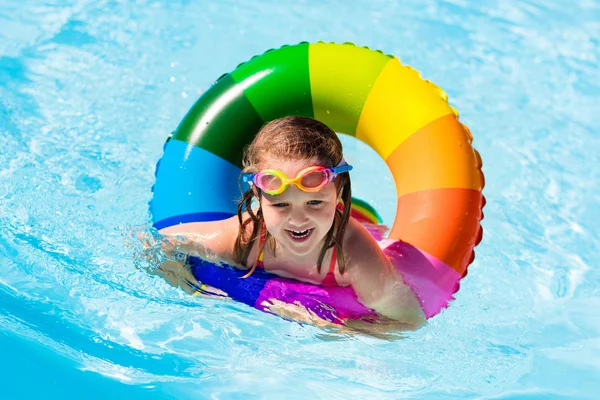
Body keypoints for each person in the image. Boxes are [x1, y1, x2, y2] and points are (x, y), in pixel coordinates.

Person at [158, 116, 425, 327]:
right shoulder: (245, 237)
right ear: (258, 199)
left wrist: (331, 325)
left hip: (365, 225)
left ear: (337, 194)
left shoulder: (355, 254)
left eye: (315, 203)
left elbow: (406, 322)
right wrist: (195, 288)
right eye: (281, 205)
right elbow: (156, 245)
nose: (298, 219)